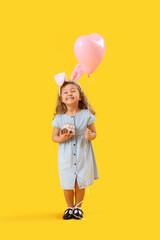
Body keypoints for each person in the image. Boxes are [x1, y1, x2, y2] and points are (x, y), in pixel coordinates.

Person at [51, 78, 99, 220]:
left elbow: (94, 133)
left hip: (83, 154)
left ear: (80, 96)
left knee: (80, 181)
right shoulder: (59, 118)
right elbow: (54, 137)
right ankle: (69, 207)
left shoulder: (86, 114)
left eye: (73, 91)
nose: (69, 93)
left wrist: (90, 135)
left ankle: (78, 207)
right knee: (67, 181)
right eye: (65, 92)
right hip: (66, 156)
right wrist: (61, 138)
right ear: (62, 99)